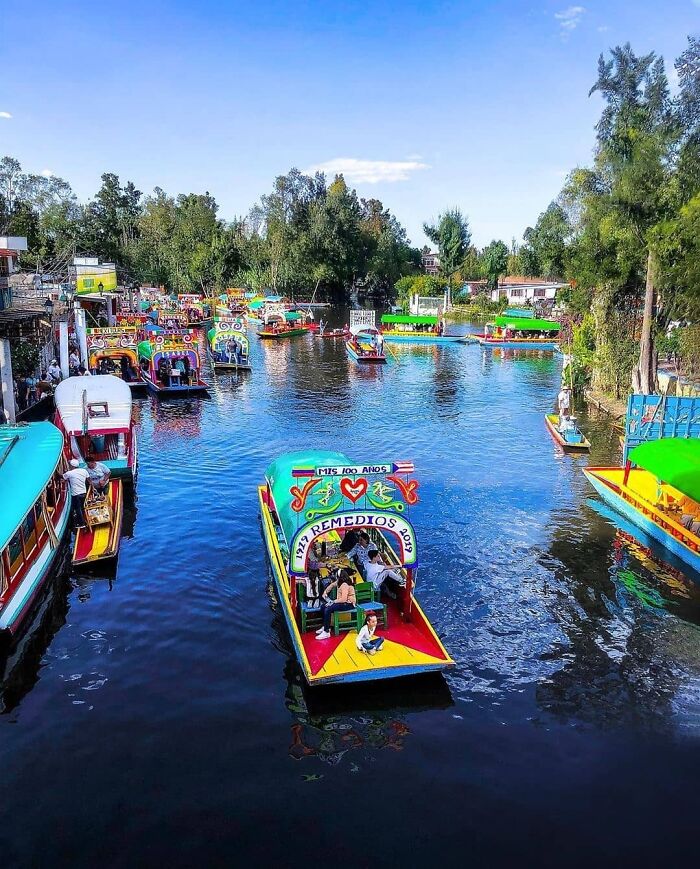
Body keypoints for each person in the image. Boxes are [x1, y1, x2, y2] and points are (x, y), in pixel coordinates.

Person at [315, 569, 356, 639]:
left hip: (348, 604)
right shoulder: (339, 582)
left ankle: (326, 632)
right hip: (342, 603)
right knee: (323, 607)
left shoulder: (344, 585)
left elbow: (343, 599)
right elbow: (332, 585)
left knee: (328, 609)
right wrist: (325, 592)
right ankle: (325, 626)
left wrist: (333, 602)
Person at [63, 458, 90, 528]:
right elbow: (89, 480)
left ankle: (82, 524)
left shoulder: (69, 473)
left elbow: (62, 476)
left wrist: (57, 472)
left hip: (76, 494)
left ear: (72, 466)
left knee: (78, 509)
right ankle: (85, 519)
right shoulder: (84, 471)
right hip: (84, 492)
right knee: (82, 507)